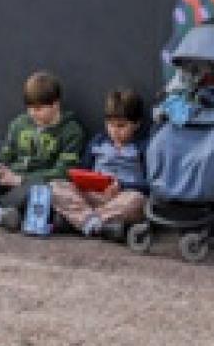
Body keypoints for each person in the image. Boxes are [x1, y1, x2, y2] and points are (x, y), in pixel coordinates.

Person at [0, 71, 85, 230]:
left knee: (41, 193)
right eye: (30, 108)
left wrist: (20, 179)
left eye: (39, 108)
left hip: (31, 185)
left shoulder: (71, 131)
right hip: (7, 180)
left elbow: (64, 172)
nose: (33, 113)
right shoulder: (19, 124)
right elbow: (5, 158)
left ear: (55, 104)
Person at [50, 88, 149, 241]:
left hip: (122, 197)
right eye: (110, 125)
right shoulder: (98, 141)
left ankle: (82, 222)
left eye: (121, 126)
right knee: (56, 187)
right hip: (94, 194)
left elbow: (149, 185)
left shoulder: (142, 147)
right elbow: (83, 168)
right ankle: (97, 225)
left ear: (136, 124)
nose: (114, 131)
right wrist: (82, 179)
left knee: (137, 201)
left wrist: (122, 186)